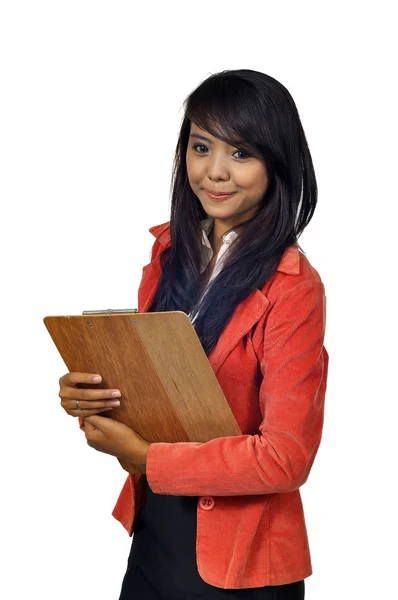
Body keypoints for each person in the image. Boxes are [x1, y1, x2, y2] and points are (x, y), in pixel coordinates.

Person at [58, 69, 328, 599]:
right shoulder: (168, 255)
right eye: (201, 147)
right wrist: (95, 396)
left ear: (278, 164)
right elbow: (161, 396)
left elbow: (285, 457)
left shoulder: (294, 288)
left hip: (244, 558)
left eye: (241, 153)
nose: (215, 172)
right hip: (157, 531)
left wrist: (147, 457)